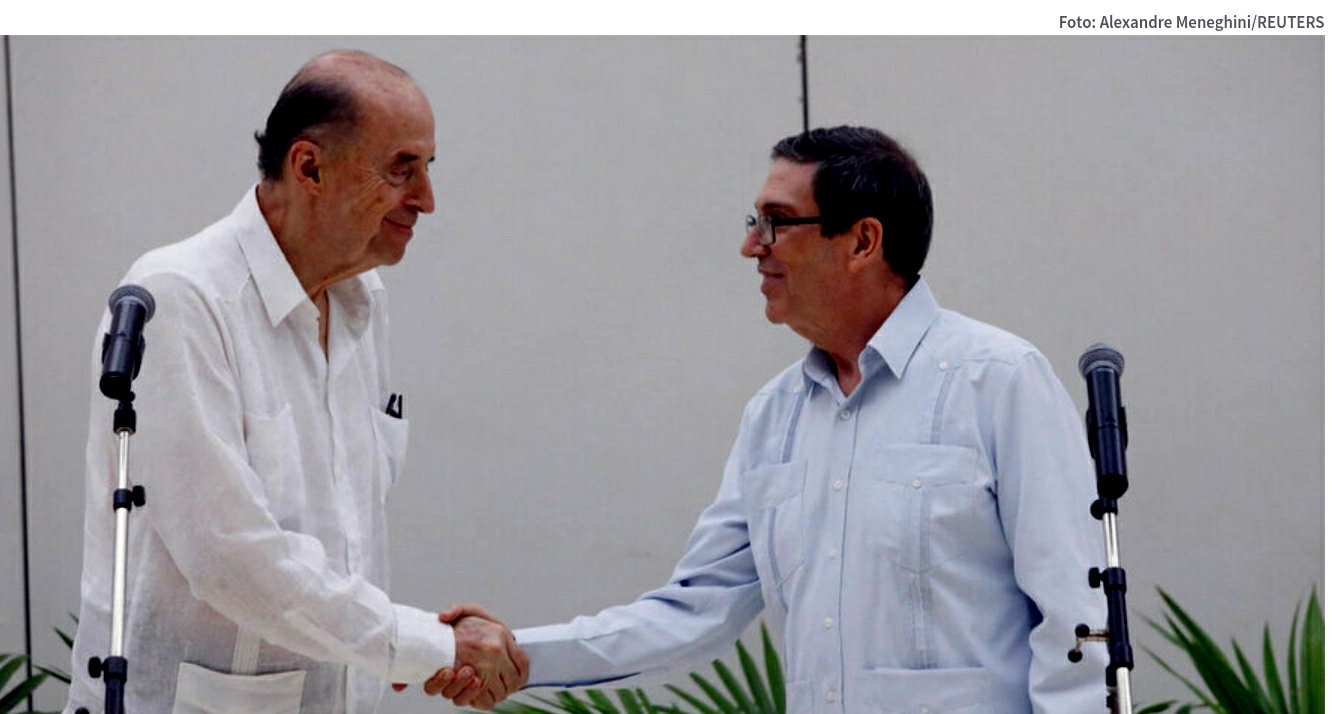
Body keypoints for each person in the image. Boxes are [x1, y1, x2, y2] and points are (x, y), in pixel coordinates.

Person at [424, 126, 1107, 712]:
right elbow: (694, 610)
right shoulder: (775, 417)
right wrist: (518, 655)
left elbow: (1078, 621)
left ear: (862, 241)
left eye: (776, 222)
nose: (752, 246)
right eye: (753, 222)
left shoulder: (998, 382)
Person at [65, 50, 526, 713]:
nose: (426, 199)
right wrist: (426, 645)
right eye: (402, 170)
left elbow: (345, 544)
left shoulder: (363, 301)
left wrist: (421, 646)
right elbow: (231, 557)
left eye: (428, 168)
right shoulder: (182, 298)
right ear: (309, 167)